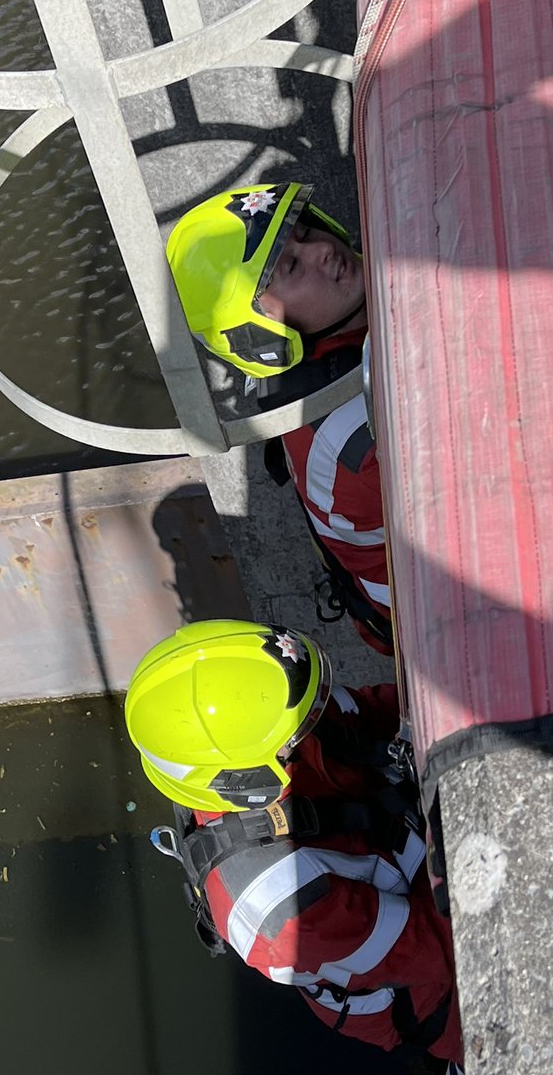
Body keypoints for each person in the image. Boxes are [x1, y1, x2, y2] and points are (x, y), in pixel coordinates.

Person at [124, 618, 463, 1073]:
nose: (317, 719)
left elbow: (371, 711)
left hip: (415, 859)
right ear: (245, 779)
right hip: (428, 992)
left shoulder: (270, 719)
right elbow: (439, 948)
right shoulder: (278, 907)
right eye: (300, 731)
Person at [167, 183, 393, 654]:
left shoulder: (300, 363)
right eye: (290, 265)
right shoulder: (364, 427)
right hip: (425, 612)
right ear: (261, 327)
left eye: (306, 231)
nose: (323, 251)